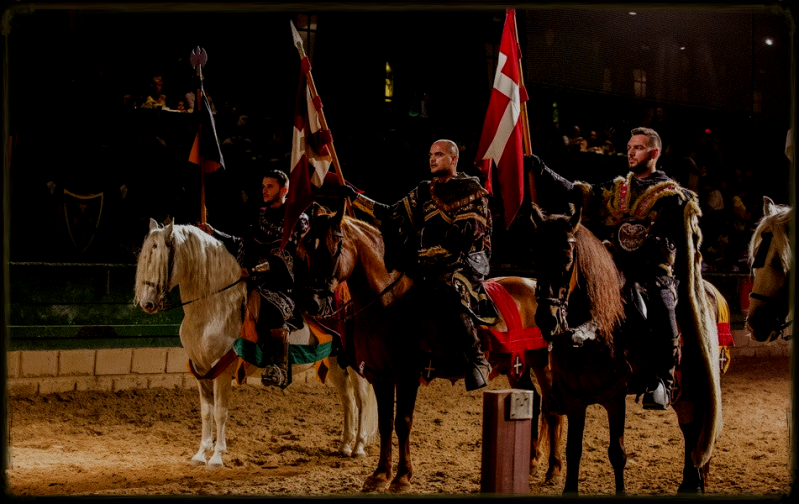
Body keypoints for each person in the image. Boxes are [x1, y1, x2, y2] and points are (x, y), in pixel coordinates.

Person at [528, 127, 713, 410]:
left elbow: (675, 237)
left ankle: (662, 381)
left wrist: (653, 243)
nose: (631, 152)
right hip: (615, 268)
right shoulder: (617, 188)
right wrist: (543, 171)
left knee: (663, 309)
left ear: (654, 153)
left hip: (653, 270)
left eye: (637, 148)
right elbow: (578, 193)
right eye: (629, 147)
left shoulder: (672, 195)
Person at [340, 139, 497, 392]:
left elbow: (469, 231)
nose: (433, 159)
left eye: (439, 154)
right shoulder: (426, 189)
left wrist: (436, 246)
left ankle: (476, 358)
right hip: (428, 264)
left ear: (454, 159)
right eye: (430, 155)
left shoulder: (470, 188)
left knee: (448, 293)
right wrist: (356, 198)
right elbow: (392, 213)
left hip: (463, 262)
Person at [198, 169, 309, 388]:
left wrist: (252, 271)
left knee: (270, 309)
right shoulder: (261, 214)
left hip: (285, 285)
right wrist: (215, 233)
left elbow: (288, 257)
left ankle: (279, 366)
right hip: (256, 280)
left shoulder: (298, 219)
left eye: (270, 186)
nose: (264, 191)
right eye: (263, 186)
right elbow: (243, 243)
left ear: (284, 190)